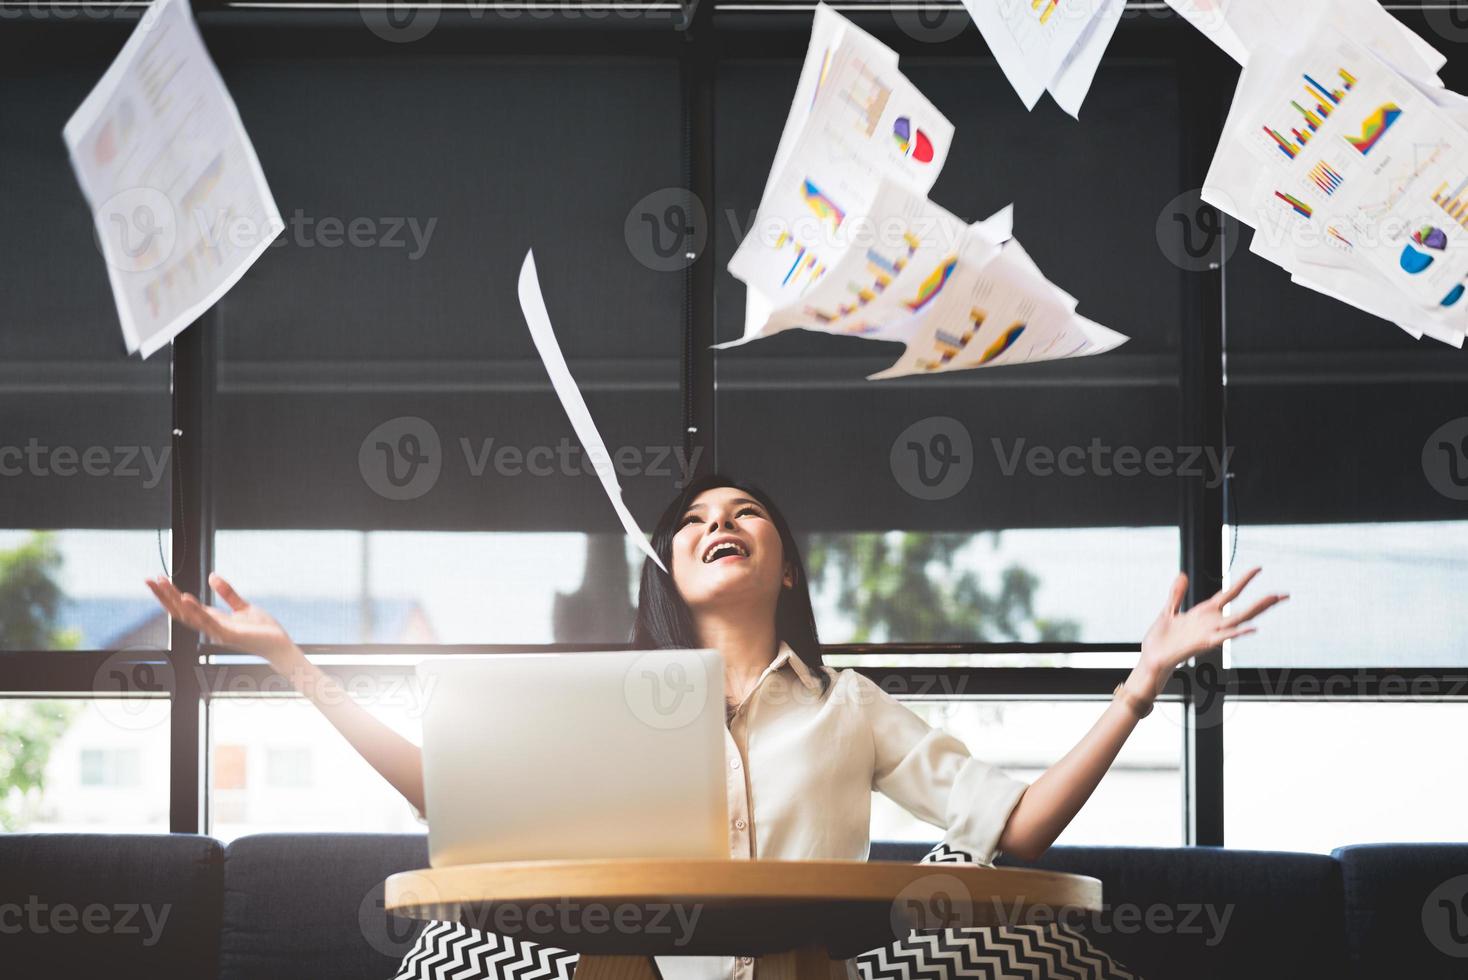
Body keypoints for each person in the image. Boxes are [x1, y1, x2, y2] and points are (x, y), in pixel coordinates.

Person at [145, 473, 1286, 980]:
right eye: (693, 519)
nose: (719, 521)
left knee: (1042, 942)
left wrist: (1138, 686)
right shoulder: (606, 706)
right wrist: (294, 664)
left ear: (785, 566)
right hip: (630, 975)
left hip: (816, 977)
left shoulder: (850, 706)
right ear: (670, 568)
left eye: (745, 514)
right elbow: (447, 793)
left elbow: (1018, 828)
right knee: (445, 955)